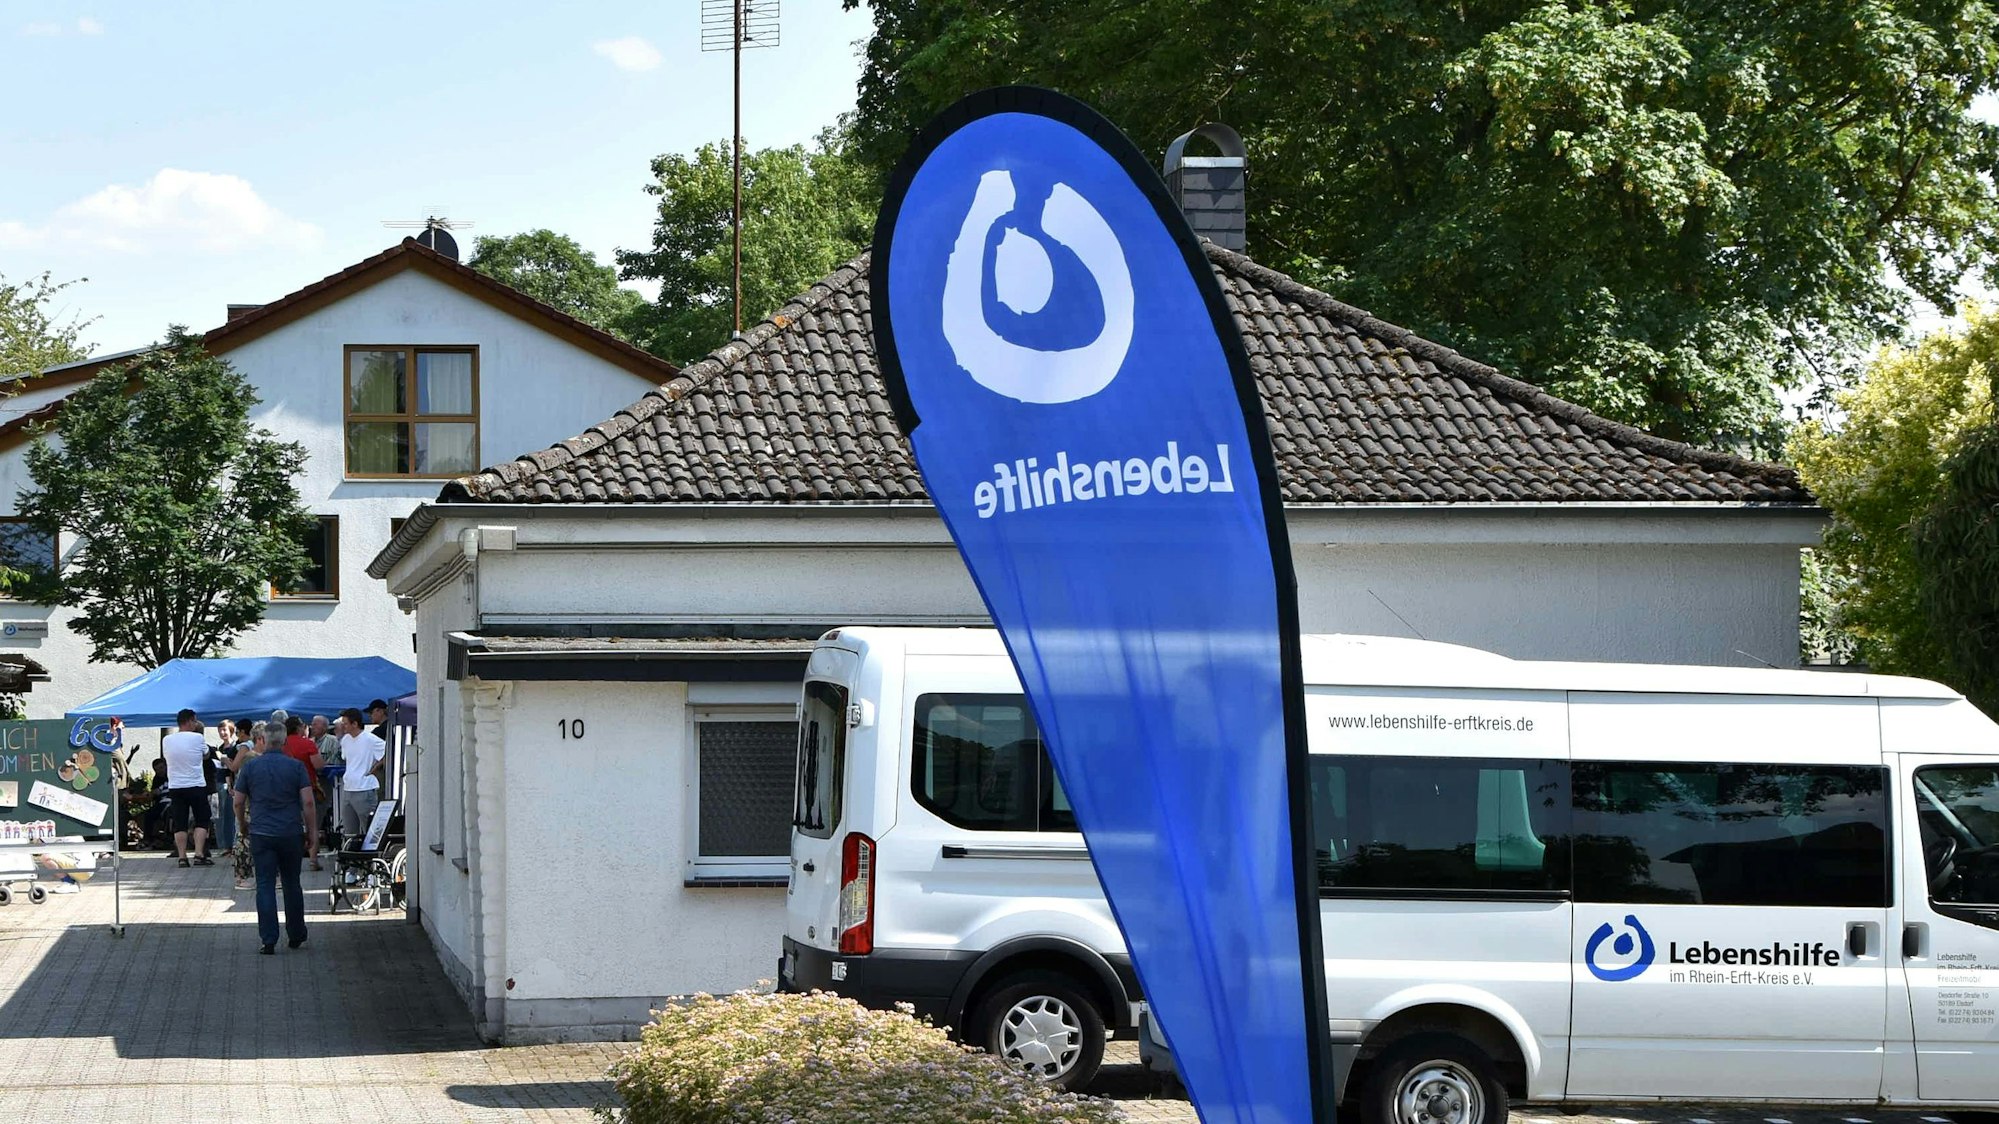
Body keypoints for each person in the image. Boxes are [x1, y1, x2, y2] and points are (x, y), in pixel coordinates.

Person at [232, 731, 315, 954]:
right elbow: (308, 801)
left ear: (263, 741)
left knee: (265, 884)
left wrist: (242, 825)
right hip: (290, 831)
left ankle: (268, 939)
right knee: (291, 883)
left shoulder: (250, 767)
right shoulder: (296, 767)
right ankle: (296, 934)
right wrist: (312, 832)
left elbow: (238, 802)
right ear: (284, 742)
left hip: (261, 832)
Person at [161, 709, 214, 868]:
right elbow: (206, 755)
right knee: (202, 820)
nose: (196, 724)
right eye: (195, 721)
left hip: (176, 786)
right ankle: (199, 854)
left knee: (180, 822)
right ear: (190, 721)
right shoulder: (198, 738)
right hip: (196, 784)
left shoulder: (167, 740)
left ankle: (182, 857)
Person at [280, 716, 326, 870]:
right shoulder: (308, 743)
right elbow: (318, 765)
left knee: (288, 824)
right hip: (307, 787)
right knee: (311, 824)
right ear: (300, 727)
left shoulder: (281, 744)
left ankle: (288, 858)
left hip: (285, 789)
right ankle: (313, 860)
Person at [335, 707, 386, 845]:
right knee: (350, 831)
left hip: (364, 788)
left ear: (355, 724)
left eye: (345, 723)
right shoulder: (346, 740)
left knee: (369, 829)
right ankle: (353, 864)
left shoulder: (370, 739)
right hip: (349, 788)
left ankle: (371, 860)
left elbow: (388, 751)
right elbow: (347, 758)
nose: (343, 726)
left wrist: (374, 769)